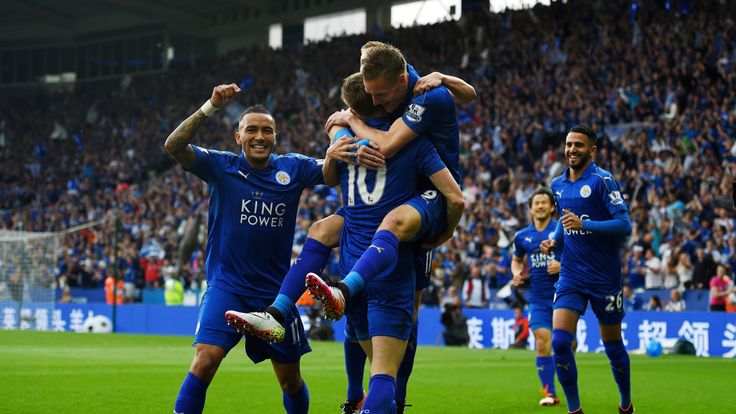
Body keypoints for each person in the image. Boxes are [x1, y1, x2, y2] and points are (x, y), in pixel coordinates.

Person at [229, 41, 469, 413]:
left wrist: (345, 127)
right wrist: (333, 149)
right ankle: (283, 315)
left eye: (384, 96)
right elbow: (331, 172)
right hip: (380, 227)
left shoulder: (422, 103)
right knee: (325, 231)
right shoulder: (382, 127)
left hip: (428, 200)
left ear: (399, 82)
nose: (384, 102)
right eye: (374, 96)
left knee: (392, 310)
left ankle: (383, 393)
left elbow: (391, 146)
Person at [166, 84, 325, 414]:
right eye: (251, 129)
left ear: (275, 137)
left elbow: (332, 171)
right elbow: (174, 145)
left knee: (290, 381)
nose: (259, 136)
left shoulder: (293, 169)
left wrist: (345, 138)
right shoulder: (221, 167)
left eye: (267, 130)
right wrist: (210, 105)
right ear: (238, 137)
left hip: (276, 297)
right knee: (205, 359)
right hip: (228, 287)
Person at [540, 124, 634, 414]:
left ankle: (626, 403)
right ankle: (574, 409)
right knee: (559, 342)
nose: (572, 150)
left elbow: (624, 225)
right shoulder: (558, 184)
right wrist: (554, 239)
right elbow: (564, 220)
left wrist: (586, 225)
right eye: (569, 144)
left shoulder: (602, 181)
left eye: (579, 145)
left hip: (604, 278)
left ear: (592, 151)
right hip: (571, 275)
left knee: (613, 346)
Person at [510, 187, 562, 406]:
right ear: (531, 208)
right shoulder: (522, 236)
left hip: (563, 296)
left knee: (565, 345)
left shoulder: (562, 231)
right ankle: (550, 393)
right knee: (542, 341)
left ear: (552, 207)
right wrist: (516, 273)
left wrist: (562, 264)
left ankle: (566, 381)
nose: (540, 206)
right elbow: (516, 260)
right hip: (538, 297)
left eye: (544, 202)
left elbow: (579, 257)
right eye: (536, 203)